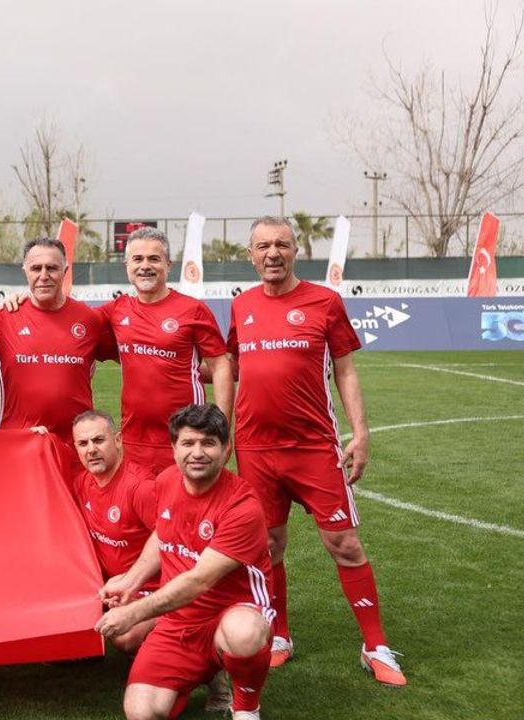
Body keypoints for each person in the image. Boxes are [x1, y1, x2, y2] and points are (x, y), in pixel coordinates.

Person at [228, 216, 404, 684]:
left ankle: (375, 646)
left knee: (344, 543)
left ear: (295, 251)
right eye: (263, 246)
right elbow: (232, 367)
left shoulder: (324, 302)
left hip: (314, 447)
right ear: (251, 255)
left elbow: (345, 370)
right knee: (268, 544)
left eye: (282, 244)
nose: (273, 253)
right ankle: (279, 636)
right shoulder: (241, 306)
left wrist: (360, 433)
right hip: (254, 448)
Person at [98, 404, 273, 720]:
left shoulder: (242, 507)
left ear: (226, 450)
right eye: (188, 443)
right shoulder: (167, 481)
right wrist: (130, 581)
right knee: (141, 713)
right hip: (177, 621)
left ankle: (246, 708)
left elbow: (199, 580)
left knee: (244, 632)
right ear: (174, 448)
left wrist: (133, 612)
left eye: (208, 443)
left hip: (229, 614)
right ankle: (202, 674)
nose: (197, 453)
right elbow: (162, 535)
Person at [96, 227, 233, 474]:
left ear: (168, 265)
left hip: (187, 437)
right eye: (137, 259)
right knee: (140, 499)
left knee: (186, 499)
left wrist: (221, 430)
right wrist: (25, 301)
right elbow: (71, 320)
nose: (145, 266)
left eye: (154, 259)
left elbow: (220, 366)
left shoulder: (193, 310)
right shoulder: (117, 309)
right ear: (127, 265)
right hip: (134, 440)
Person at [0, 238, 114, 436]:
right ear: (25, 271)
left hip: (76, 445)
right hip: (18, 444)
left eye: (52, 268)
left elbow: (133, 356)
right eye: (36, 268)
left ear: (65, 271)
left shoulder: (90, 319)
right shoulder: (2, 317)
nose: (43, 276)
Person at [67, 409, 159, 653]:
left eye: (98, 440)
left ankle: (173, 626)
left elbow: (173, 541)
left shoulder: (141, 487)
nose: (91, 450)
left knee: (123, 635)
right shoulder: (82, 482)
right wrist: (37, 438)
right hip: (107, 588)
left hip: (150, 588)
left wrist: (131, 580)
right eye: (83, 444)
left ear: (117, 440)